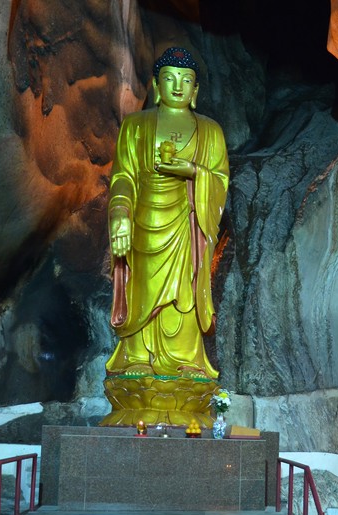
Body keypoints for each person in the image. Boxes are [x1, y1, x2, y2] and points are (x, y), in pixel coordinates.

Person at [106, 46, 229, 379]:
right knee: (143, 288)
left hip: (188, 226)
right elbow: (123, 176)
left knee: (185, 293)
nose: (178, 86)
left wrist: (193, 171)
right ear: (156, 86)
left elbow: (219, 181)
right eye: (170, 78)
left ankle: (185, 359)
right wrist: (120, 214)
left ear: (195, 90)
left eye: (186, 80)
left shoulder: (211, 131)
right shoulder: (136, 125)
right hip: (145, 224)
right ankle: (137, 357)